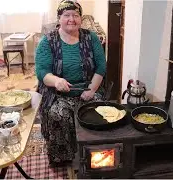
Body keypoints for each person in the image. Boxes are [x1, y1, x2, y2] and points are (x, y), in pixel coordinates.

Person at [35, 0, 106, 165]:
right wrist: (56, 80)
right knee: (57, 114)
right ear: (59, 18)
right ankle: (62, 158)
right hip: (58, 94)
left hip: (87, 90)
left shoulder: (91, 37)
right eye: (66, 15)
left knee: (99, 110)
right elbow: (42, 72)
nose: (71, 19)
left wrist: (92, 89)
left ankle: (93, 153)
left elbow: (101, 66)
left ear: (81, 18)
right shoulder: (48, 41)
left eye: (75, 15)